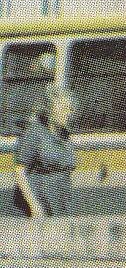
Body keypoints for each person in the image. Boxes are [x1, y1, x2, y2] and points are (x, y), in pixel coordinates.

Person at [12, 89, 77, 218]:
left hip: (62, 200)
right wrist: (34, 205)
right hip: (40, 200)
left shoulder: (64, 135)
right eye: (64, 109)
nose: (69, 113)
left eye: (70, 109)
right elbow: (20, 172)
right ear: (49, 110)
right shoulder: (34, 133)